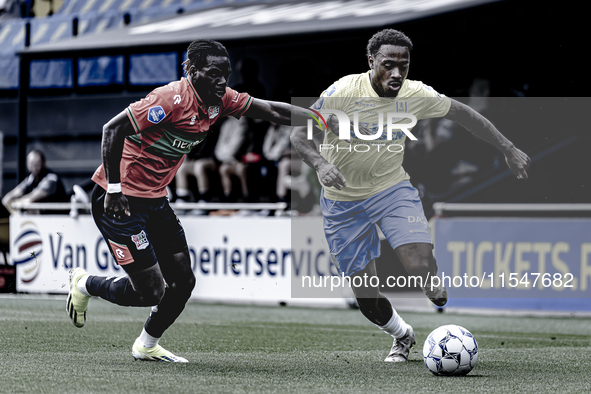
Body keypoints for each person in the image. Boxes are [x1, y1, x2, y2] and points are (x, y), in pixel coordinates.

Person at [66, 39, 317, 362]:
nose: (222, 81)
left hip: (155, 200)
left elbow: (270, 109)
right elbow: (112, 130)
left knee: (183, 282)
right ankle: (85, 283)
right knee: (151, 291)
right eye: (214, 74)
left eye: (225, 73)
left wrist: (319, 119)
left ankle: (146, 344)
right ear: (192, 71)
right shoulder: (168, 100)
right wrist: (114, 189)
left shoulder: (219, 99)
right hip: (119, 200)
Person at [290, 29, 530, 362]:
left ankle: (429, 277)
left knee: (419, 267)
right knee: (366, 296)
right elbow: (298, 134)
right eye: (388, 65)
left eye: (404, 65)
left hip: (391, 190)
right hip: (342, 200)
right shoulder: (343, 92)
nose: (397, 73)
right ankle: (402, 335)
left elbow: (465, 115)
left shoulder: (416, 93)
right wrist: (318, 163)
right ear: (371, 61)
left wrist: (508, 148)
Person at [2, 149, 67, 214]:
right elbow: (11, 195)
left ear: (44, 163)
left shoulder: (51, 178)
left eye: (37, 163)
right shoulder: (31, 179)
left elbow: (31, 198)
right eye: (31, 163)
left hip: (56, 218)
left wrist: (14, 204)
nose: (34, 166)